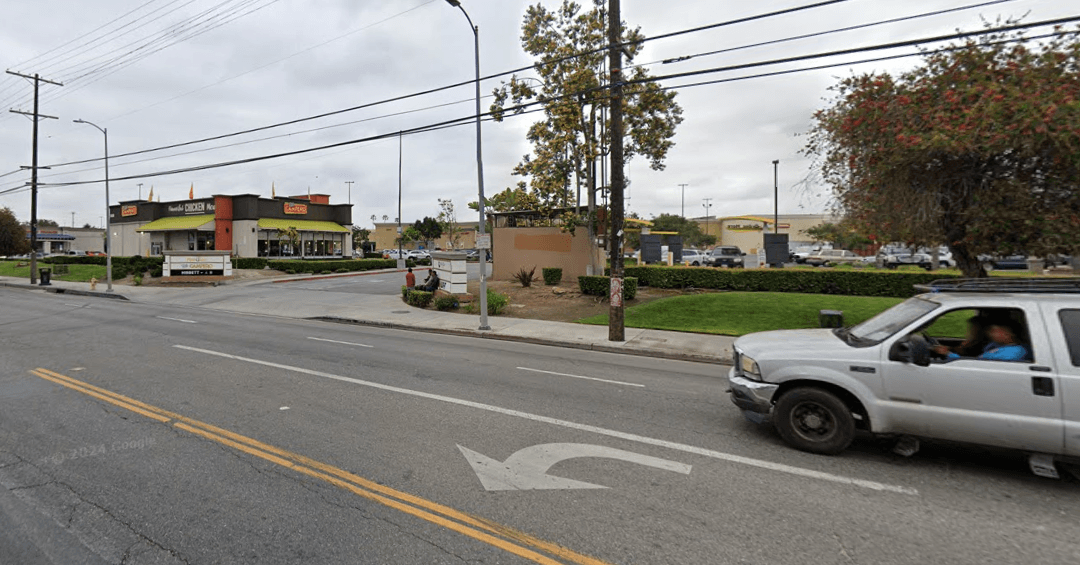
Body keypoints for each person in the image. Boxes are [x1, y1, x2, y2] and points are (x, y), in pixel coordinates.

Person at [933, 318, 1030, 362]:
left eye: (995, 331)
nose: (990, 333)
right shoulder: (998, 344)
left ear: (1009, 333)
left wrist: (947, 354)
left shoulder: (1012, 353)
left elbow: (973, 367)